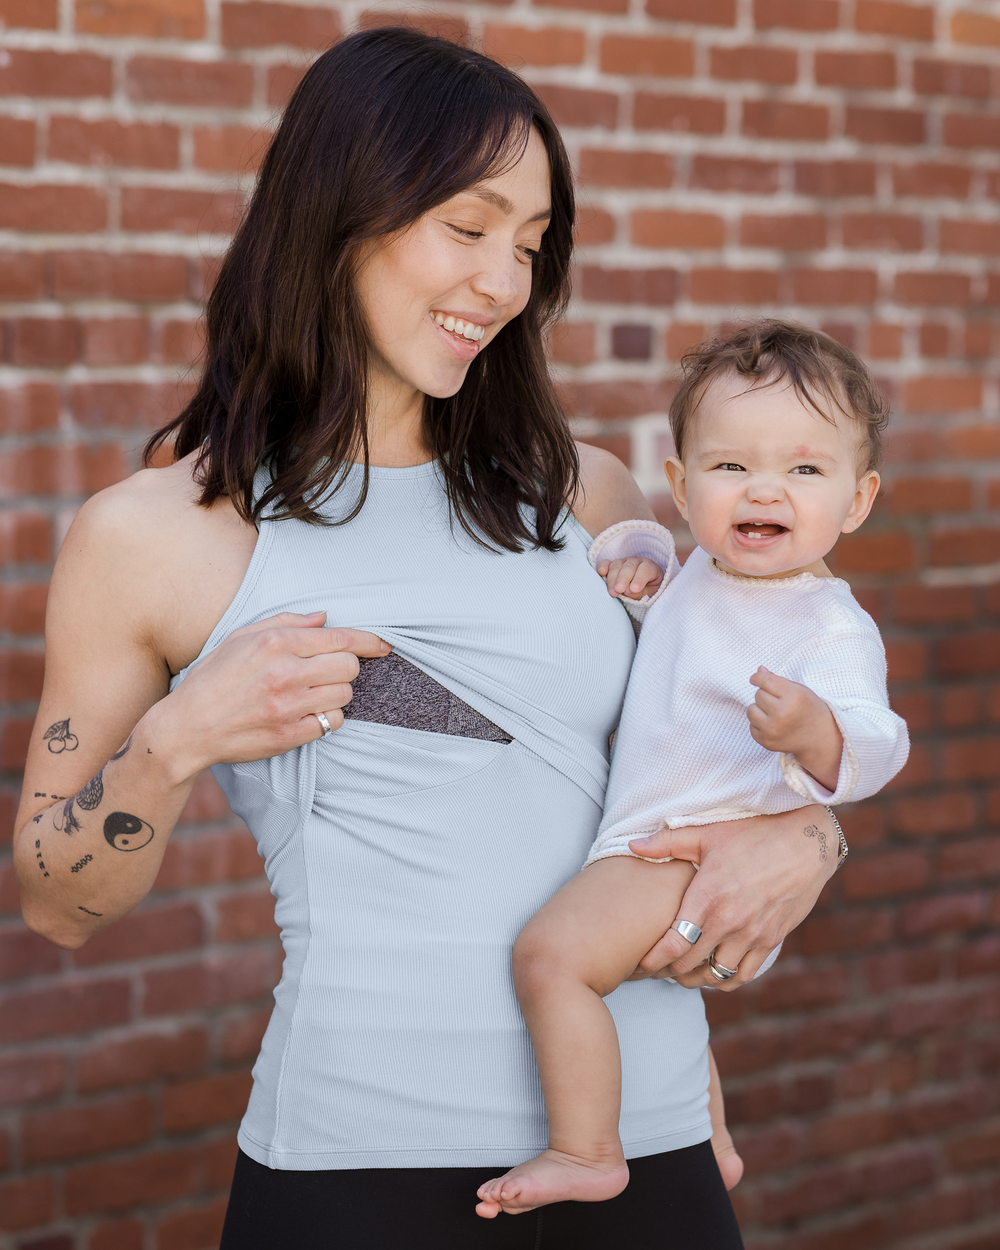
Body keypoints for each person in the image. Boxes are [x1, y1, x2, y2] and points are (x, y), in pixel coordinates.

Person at [14, 32, 842, 1249]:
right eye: (469, 226)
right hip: (361, 1170)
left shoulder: (594, 500)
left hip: (645, 1149)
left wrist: (809, 837)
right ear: (339, 209)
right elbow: (54, 904)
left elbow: (723, 743)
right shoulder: (159, 536)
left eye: (529, 243)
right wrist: (174, 741)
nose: (504, 282)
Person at [476, 322, 910, 1219]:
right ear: (680, 485)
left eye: (803, 470)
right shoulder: (700, 575)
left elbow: (880, 741)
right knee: (669, 1016)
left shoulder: (826, 625)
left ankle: (586, 1151)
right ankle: (709, 1138)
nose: (763, 490)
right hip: (654, 841)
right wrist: (637, 556)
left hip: (681, 854)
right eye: (728, 468)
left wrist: (816, 728)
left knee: (552, 957)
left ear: (858, 499)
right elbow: (650, 599)